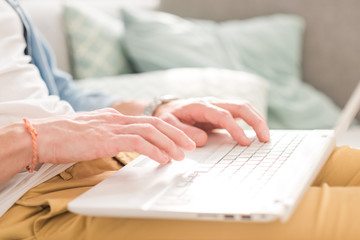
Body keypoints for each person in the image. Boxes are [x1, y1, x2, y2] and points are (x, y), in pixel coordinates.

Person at [0, 0, 360, 240]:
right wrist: (29, 140)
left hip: (122, 160)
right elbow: (43, 124)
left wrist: (157, 109)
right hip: (34, 202)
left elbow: (60, 94)